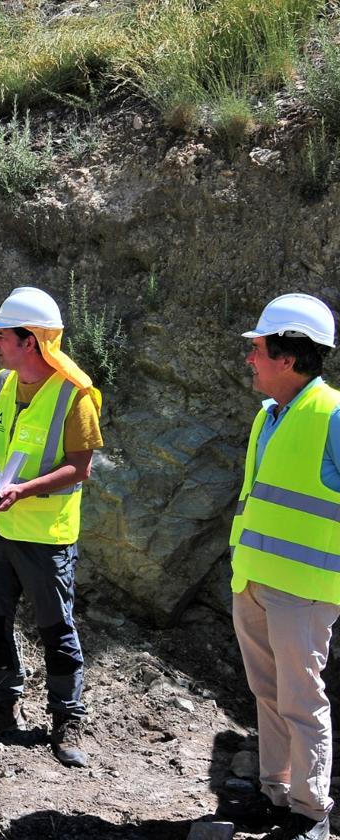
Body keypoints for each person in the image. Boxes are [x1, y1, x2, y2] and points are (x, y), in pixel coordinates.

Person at [0, 286, 102, 769]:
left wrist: (22, 489)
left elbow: (80, 468)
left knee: (55, 628)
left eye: (3, 335)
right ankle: (1, 708)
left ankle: (67, 718)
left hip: (44, 536)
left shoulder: (75, 395)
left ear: (31, 341)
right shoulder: (0, 384)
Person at [226, 294, 340, 840]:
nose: (250, 358)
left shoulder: (333, 414)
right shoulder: (268, 415)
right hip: (253, 580)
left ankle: (310, 811)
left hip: (305, 589)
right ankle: (276, 792)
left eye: (258, 349)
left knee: (300, 700)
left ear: (288, 359)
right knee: (268, 694)